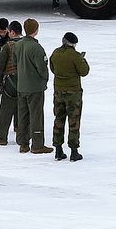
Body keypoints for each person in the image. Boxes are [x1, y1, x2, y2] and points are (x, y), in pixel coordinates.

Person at [13, 18, 52, 155]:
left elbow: (15, 62)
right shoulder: (36, 47)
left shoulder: (17, 45)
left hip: (21, 85)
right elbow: (42, 68)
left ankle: (23, 143)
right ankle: (37, 144)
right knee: (36, 115)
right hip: (34, 87)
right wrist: (45, 78)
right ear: (36, 30)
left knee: (22, 115)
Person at [50, 31, 90, 161]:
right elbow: (84, 72)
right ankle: (74, 151)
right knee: (73, 121)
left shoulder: (55, 53)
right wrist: (83, 60)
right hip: (73, 93)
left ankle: (58, 150)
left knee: (59, 119)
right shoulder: (75, 56)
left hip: (58, 92)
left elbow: (52, 68)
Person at [0, 21, 23, 147]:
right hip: (26, 81)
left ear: (12, 32)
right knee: (22, 109)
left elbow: (0, 66)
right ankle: (22, 135)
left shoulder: (8, 46)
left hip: (10, 80)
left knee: (5, 109)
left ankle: (1, 137)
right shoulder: (28, 44)